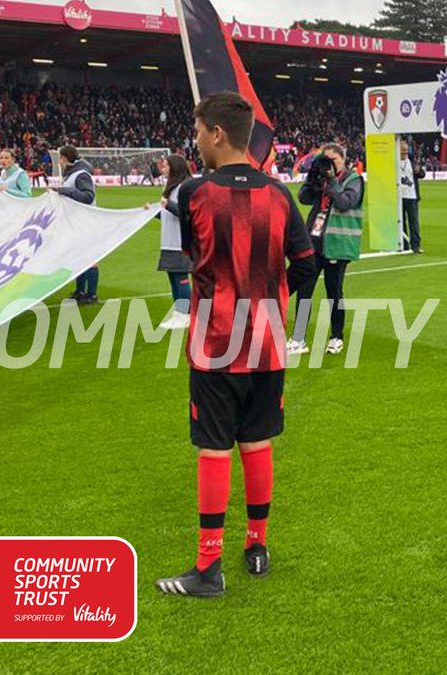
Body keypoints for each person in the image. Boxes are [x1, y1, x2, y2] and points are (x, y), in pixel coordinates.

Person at [155, 91, 316, 598]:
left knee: (213, 447)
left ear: (217, 134)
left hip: (216, 343)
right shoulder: (279, 193)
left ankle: (208, 569)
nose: (196, 139)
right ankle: (258, 546)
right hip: (268, 343)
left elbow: (188, 261)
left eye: (199, 130)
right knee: (257, 441)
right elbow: (306, 264)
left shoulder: (194, 194)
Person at [287, 143, 364, 356]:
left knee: (334, 292)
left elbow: (345, 202)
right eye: (325, 161)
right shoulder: (321, 179)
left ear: (342, 159)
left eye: (332, 161)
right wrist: (313, 178)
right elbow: (303, 199)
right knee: (304, 291)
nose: (328, 165)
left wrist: (331, 181)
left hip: (337, 244)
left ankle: (336, 337)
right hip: (314, 241)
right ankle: (298, 338)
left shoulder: (353, 180)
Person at [53, 146, 100, 305]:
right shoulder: (73, 174)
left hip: (86, 223)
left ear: (65, 158)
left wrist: (65, 191)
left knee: (90, 258)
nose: (59, 162)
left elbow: (88, 197)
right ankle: (80, 291)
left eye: (60, 158)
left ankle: (92, 294)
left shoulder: (81, 175)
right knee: (79, 257)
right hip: (76, 222)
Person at [156, 155, 194, 330]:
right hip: (169, 241)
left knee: (180, 278)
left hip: (180, 241)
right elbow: (168, 213)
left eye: (166, 166)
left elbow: (187, 213)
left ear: (175, 167)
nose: (163, 168)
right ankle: (179, 313)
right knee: (173, 277)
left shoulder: (182, 188)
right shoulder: (170, 187)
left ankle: (187, 315)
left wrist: (168, 205)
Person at [399, 139, 425, 254]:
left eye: (405, 150)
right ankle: (403, 245)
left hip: (412, 196)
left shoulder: (412, 161)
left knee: (414, 222)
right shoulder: (394, 162)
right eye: (402, 150)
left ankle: (415, 245)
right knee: (401, 222)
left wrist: (419, 171)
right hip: (399, 196)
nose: (404, 152)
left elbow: (422, 174)